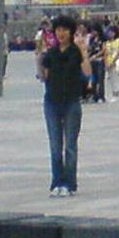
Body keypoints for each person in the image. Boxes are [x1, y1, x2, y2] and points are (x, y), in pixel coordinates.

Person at [38, 14, 92, 197]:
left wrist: (84, 52)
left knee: (70, 146)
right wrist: (39, 58)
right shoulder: (51, 53)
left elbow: (87, 73)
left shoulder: (76, 52)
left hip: (71, 102)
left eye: (65, 30)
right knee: (55, 145)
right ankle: (57, 182)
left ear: (71, 32)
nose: (61, 33)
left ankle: (69, 183)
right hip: (51, 102)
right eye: (58, 30)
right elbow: (44, 77)